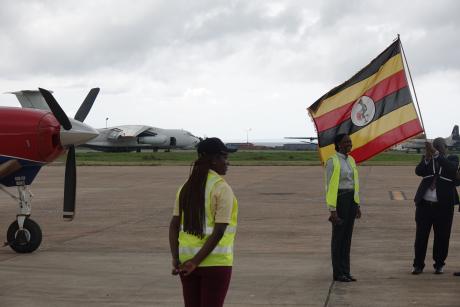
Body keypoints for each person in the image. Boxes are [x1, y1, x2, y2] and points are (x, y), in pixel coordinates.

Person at [169, 137, 238, 307]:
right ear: (214, 159)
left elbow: (174, 225)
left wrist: (176, 258)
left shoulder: (186, 186)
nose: (227, 163)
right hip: (215, 263)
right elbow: (219, 231)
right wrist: (196, 262)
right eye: (225, 157)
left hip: (186, 261)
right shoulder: (221, 188)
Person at [412, 138, 459, 275]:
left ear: (446, 147)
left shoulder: (452, 159)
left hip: (444, 206)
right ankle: (418, 265)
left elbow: (451, 169)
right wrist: (427, 156)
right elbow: (419, 171)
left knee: (442, 237)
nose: (437, 148)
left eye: (440, 146)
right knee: (421, 236)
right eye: (435, 146)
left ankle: (439, 264)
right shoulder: (429, 158)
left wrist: (436, 154)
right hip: (425, 205)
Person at [325, 134, 362, 282]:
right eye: (346, 142)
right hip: (340, 200)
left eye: (350, 142)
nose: (349, 144)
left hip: (351, 200)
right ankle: (338, 273)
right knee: (338, 238)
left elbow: (354, 183)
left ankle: (346, 271)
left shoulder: (351, 160)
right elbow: (329, 186)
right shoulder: (332, 161)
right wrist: (332, 209)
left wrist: (357, 205)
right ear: (338, 144)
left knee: (347, 239)